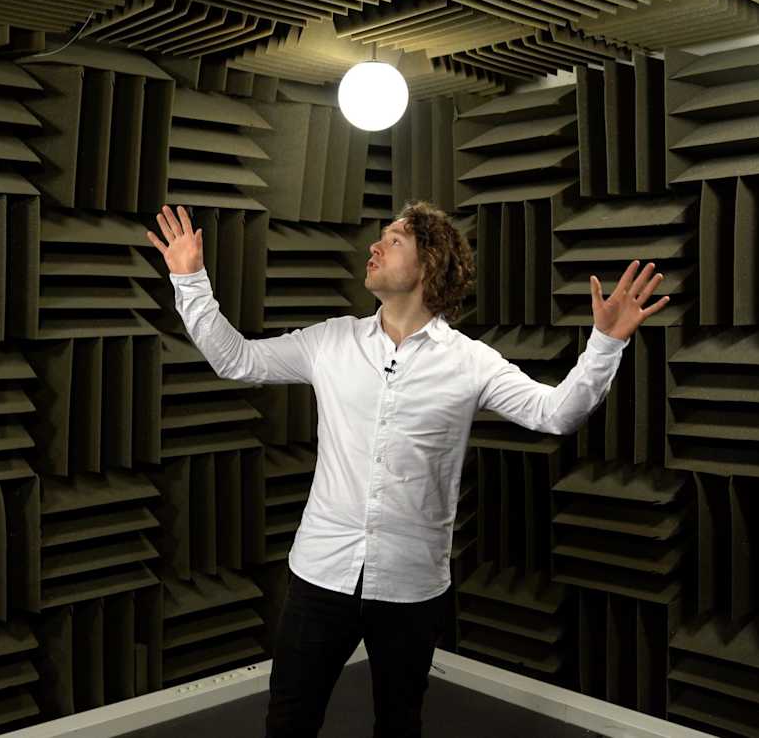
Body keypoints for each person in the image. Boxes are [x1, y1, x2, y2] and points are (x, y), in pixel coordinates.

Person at [147, 201, 668, 738]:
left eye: (393, 240)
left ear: (429, 265)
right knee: (289, 719)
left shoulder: (471, 362)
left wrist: (605, 343)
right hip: (321, 574)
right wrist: (191, 280)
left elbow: (556, 414)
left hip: (411, 585)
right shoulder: (329, 341)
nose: (375, 246)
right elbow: (237, 359)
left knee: (399, 723)